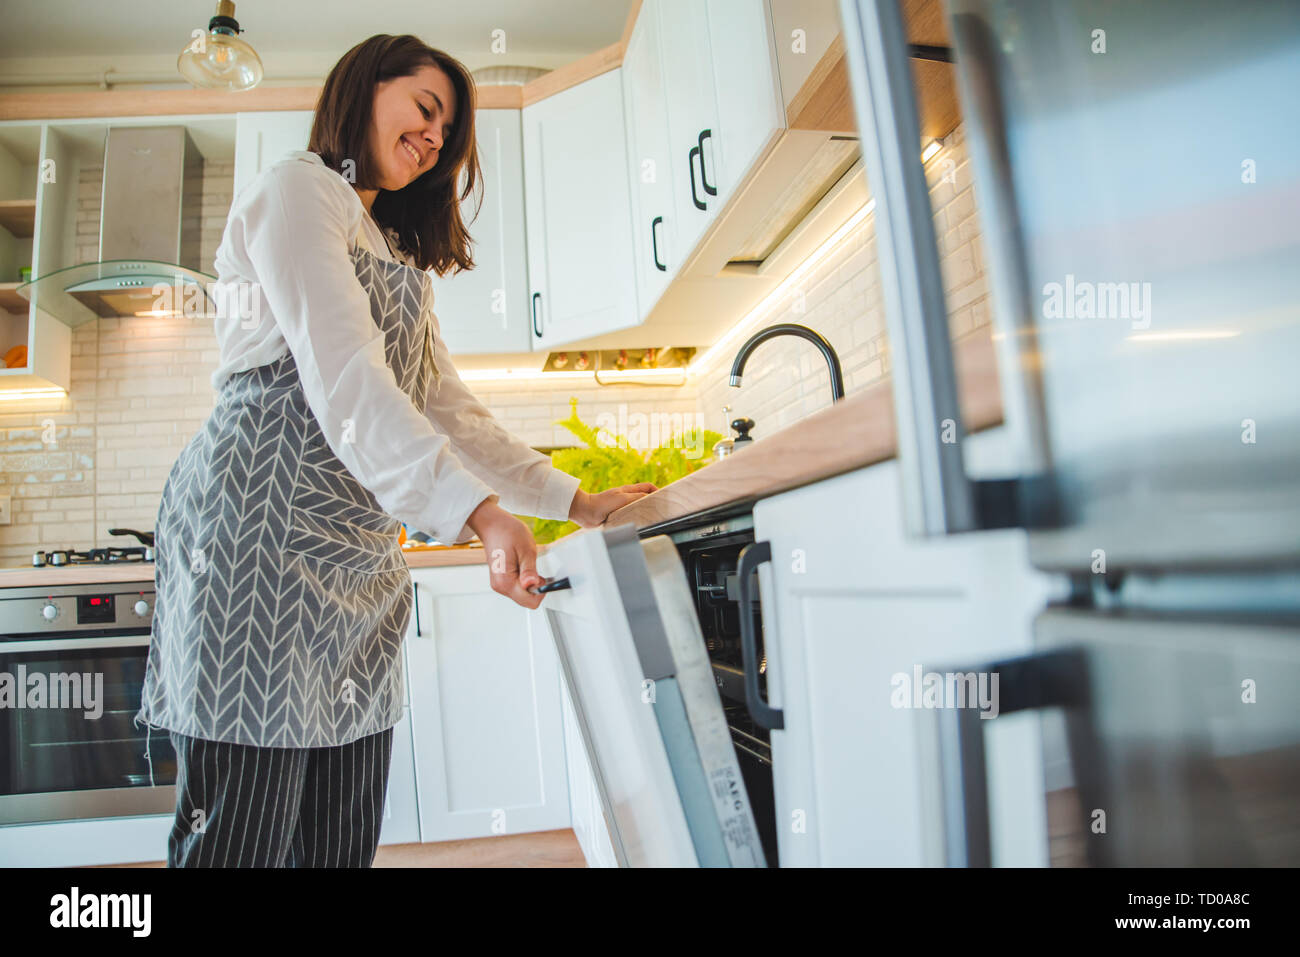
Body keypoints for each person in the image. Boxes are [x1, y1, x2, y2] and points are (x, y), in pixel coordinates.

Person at [133, 34, 656, 868]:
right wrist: (478, 513)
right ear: (365, 86)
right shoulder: (296, 192)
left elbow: (449, 410)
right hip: (256, 547)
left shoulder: (392, 250)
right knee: (240, 842)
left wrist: (575, 501)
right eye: (425, 108)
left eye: (448, 131)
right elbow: (346, 377)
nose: (435, 137)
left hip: (356, 566)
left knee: (339, 843)